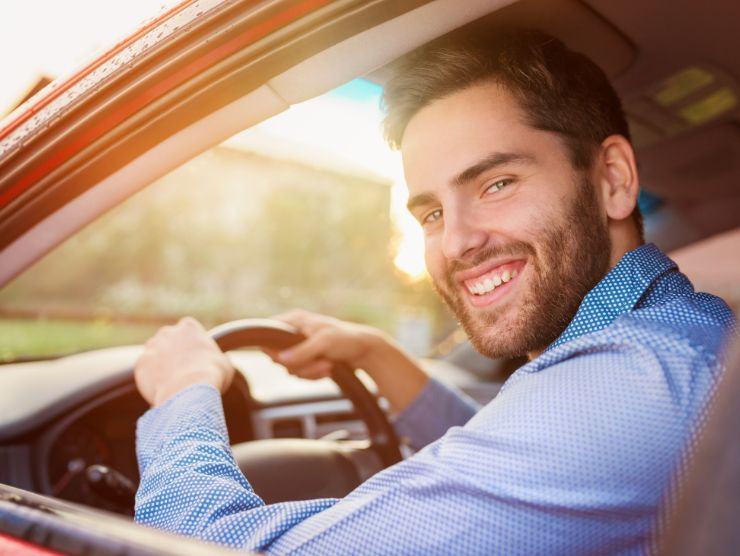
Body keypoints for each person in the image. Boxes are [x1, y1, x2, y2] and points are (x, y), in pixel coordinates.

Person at [133, 30, 735, 554]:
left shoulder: (629, 388)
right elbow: (517, 453)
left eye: (497, 183)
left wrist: (182, 393)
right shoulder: (664, 342)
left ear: (613, 179)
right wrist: (374, 353)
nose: (455, 243)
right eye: (430, 213)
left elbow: (203, 547)